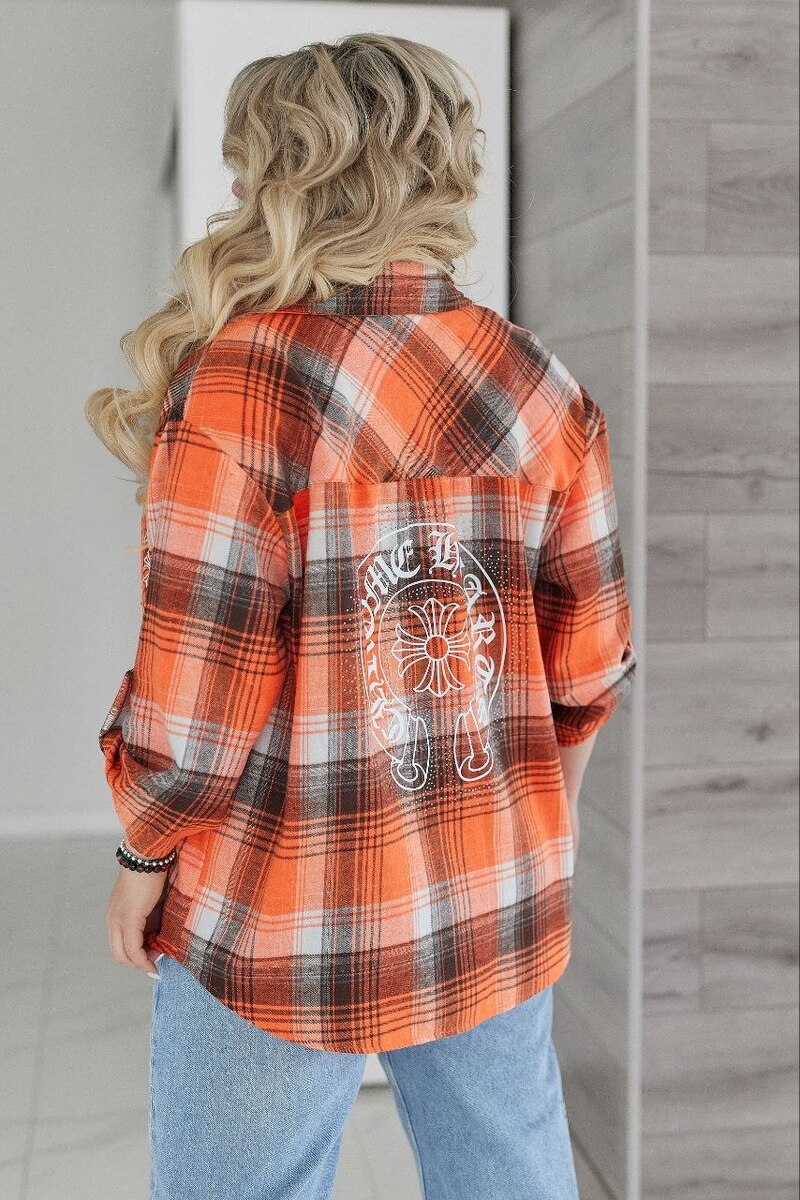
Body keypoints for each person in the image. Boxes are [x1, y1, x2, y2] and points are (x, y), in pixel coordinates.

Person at [85, 32, 636, 1200]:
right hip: (494, 893)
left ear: (277, 172)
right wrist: (531, 837)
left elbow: (194, 716)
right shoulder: (539, 384)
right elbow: (586, 671)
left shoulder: (238, 387)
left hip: (280, 917)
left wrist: (142, 854)